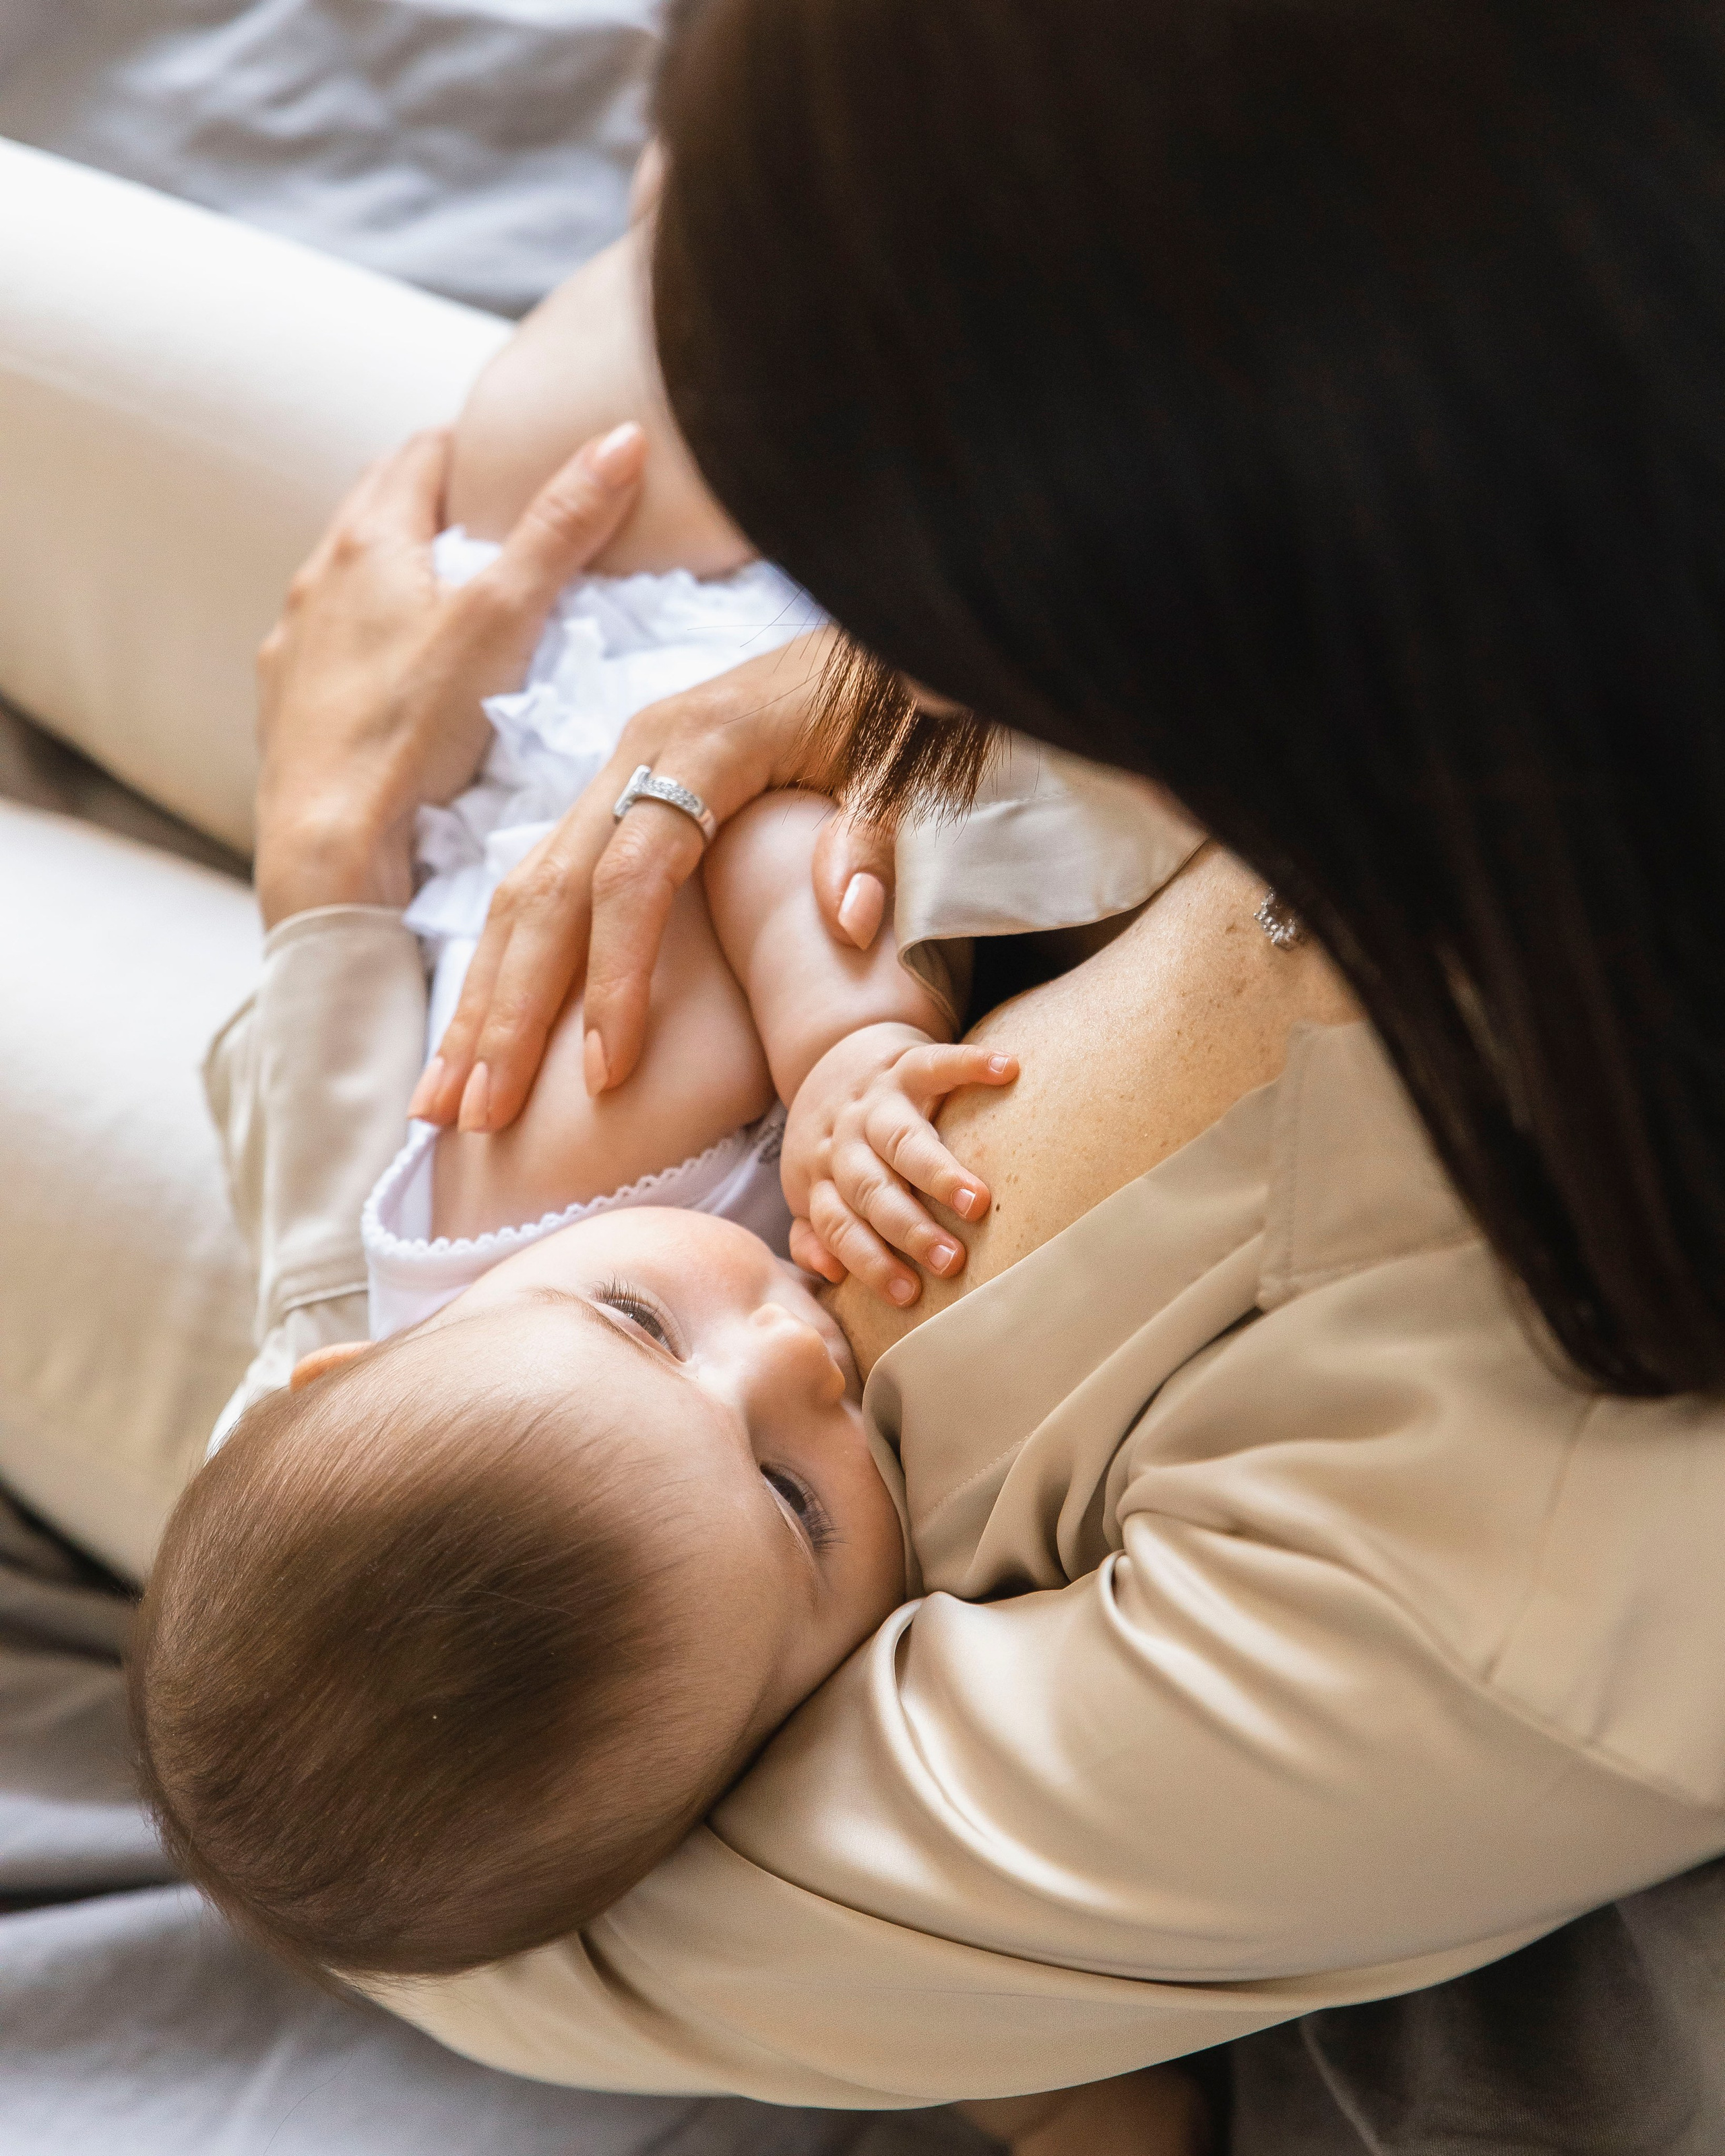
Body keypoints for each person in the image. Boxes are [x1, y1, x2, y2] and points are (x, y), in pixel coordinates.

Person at [172, 0, 1725, 2137]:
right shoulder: (1524, 610)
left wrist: (329, 936)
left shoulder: (1516, 1563)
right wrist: (754, 720)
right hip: (544, 933)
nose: (794, 1353)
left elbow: (489, 1897)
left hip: (400, 1200)